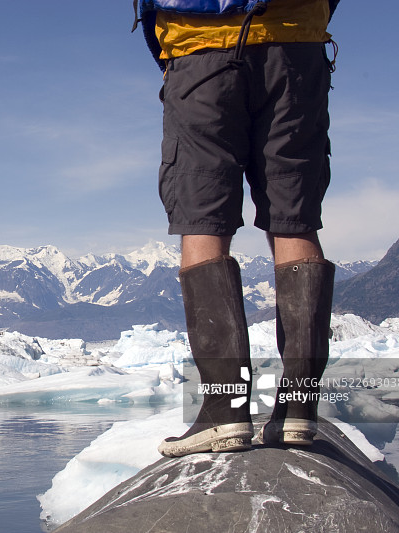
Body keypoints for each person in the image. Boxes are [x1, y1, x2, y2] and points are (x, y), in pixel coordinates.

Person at [133, 0, 338, 457]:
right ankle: (299, 407)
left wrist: (167, 54)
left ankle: (226, 412)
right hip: (297, 42)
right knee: (295, 217)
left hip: (200, 45)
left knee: (202, 218)